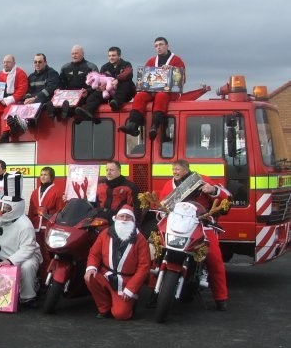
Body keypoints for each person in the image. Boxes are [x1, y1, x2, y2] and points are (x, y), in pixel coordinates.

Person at [158, 159, 230, 311]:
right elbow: (161, 206)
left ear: (186, 169)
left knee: (214, 258)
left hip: (201, 225)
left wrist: (213, 190)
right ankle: (156, 291)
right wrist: (160, 214)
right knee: (156, 249)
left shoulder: (201, 180)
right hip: (176, 226)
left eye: (177, 169)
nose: (174, 172)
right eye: (173, 169)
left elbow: (226, 197)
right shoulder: (168, 185)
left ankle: (221, 298)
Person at [0, 173, 42, 308]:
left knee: (27, 266)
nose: (3, 210)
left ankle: (28, 297)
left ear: (15, 208)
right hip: (4, 257)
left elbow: (28, 249)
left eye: (7, 208)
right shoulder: (2, 217)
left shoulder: (25, 225)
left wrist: (11, 260)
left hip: (24, 257)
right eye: (3, 206)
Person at [84, 205, 151, 320]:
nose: (124, 220)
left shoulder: (141, 240)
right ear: (116, 218)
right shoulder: (105, 233)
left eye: (128, 217)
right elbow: (94, 253)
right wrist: (91, 268)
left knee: (121, 315)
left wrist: (131, 289)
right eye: (121, 216)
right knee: (90, 277)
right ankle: (104, 308)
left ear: (133, 221)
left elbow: (144, 267)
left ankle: (128, 302)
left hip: (126, 282)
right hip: (106, 276)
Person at [119, 37, 186, 140]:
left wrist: (172, 70)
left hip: (169, 92)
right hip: (151, 91)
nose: (158, 47)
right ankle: (133, 125)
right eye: (156, 46)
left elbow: (182, 79)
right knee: (139, 96)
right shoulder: (151, 61)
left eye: (161, 45)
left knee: (161, 96)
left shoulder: (177, 60)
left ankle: (154, 126)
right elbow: (145, 78)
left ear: (167, 46)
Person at [1, 53, 59, 139]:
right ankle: (14, 125)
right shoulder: (31, 76)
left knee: (37, 103)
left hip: (45, 101)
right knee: (17, 105)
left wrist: (35, 98)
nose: (37, 64)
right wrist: (27, 98)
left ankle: (24, 123)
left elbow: (50, 89)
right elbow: (28, 91)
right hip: (31, 102)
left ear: (45, 62)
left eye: (40, 62)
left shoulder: (52, 73)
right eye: (35, 62)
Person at [75, 47, 135, 120]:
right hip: (109, 93)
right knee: (97, 93)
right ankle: (88, 110)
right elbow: (100, 81)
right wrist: (88, 91)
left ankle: (116, 103)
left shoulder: (126, 64)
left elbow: (128, 73)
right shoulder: (105, 67)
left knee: (125, 83)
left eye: (113, 55)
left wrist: (117, 80)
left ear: (119, 56)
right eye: (109, 56)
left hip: (125, 93)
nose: (111, 58)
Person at [27, 166, 63, 280]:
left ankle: (46, 280)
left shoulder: (57, 191)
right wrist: (29, 225)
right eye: (41, 174)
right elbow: (31, 210)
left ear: (51, 177)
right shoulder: (35, 192)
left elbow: (60, 211)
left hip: (48, 228)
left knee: (47, 255)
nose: (42, 176)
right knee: (35, 254)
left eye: (45, 174)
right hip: (35, 229)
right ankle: (35, 278)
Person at [46, 45, 98, 119]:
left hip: (83, 95)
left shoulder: (91, 67)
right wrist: (58, 89)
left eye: (76, 53)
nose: (74, 55)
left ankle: (67, 113)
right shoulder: (65, 68)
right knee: (51, 102)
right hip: (68, 95)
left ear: (82, 54)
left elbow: (96, 85)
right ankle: (54, 113)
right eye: (72, 54)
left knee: (73, 103)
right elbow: (61, 84)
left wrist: (88, 91)